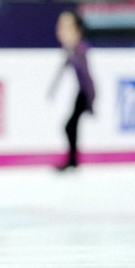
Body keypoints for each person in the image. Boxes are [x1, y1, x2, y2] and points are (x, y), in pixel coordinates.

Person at [48, 10, 95, 171]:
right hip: (82, 93)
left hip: (85, 93)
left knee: (69, 126)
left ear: (77, 31)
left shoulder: (79, 50)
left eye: (66, 27)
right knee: (70, 126)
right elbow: (62, 70)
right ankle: (73, 161)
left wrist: (91, 100)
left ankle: (73, 161)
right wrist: (53, 89)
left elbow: (87, 77)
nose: (60, 30)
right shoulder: (72, 50)